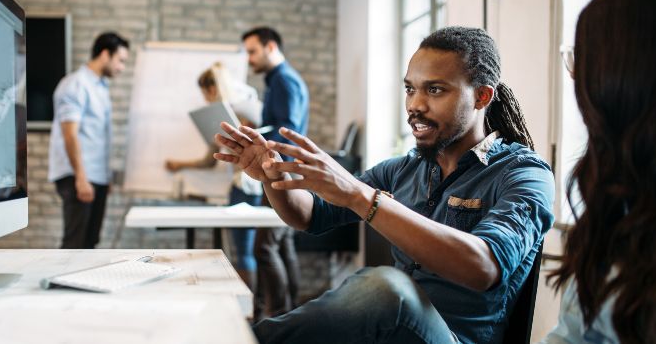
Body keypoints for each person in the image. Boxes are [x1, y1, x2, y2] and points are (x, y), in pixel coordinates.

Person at [215, 26, 555, 343]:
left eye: (435, 90)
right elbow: (311, 216)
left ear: (482, 96)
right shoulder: (404, 169)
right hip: (393, 336)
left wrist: (363, 198)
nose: (415, 105)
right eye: (410, 89)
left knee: (386, 289)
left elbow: (484, 267)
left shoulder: (524, 174)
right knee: (382, 292)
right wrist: (274, 178)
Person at [543, 0, 656, 343]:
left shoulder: (521, 170)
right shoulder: (621, 198)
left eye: (584, 63)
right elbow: (571, 335)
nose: (576, 78)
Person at [165, 62, 264, 288]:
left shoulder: (245, 110)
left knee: (244, 251)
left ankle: (248, 308)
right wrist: (179, 164)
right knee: (241, 251)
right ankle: (247, 304)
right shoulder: (221, 117)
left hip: (247, 186)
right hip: (238, 186)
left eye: (205, 92)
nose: (205, 98)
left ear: (213, 89)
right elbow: (210, 161)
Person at [242, 26, 309, 321]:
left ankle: (279, 317)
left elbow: (287, 130)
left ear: (271, 48)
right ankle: (290, 313)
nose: (249, 58)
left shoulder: (283, 81)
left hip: (281, 172)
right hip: (283, 171)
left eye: (252, 51)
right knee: (281, 245)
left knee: (265, 247)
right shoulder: (278, 81)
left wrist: (251, 135)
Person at [48, 32, 129, 249]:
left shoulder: (100, 88)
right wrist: (81, 178)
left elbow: (97, 136)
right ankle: (63, 283)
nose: (122, 67)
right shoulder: (75, 84)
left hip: (96, 175)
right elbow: (70, 134)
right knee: (75, 242)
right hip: (78, 175)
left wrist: (104, 177)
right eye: (120, 60)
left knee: (90, 242)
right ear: (105, 54)